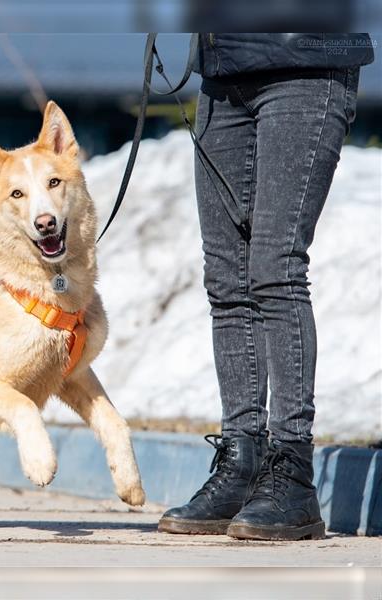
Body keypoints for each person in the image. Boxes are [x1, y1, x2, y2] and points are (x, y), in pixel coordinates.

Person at [158, 33, 375, 541]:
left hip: (307, 61)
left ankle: (293, 472)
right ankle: (242, 461)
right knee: (226, 278)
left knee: (276, 268)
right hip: (224, 67)